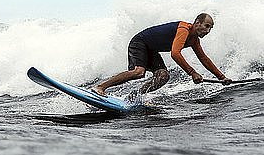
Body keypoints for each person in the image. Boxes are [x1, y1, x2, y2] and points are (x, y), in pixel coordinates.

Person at [92, 13, 232, 97]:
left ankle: (133, 97)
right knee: (139, 72)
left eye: (211, 28)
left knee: (163, 76)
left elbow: (204, 59)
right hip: (140, 42)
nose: (208, 31)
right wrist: (192, 73)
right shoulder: (184, 29)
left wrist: (222, 77)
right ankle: (100, 87)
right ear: (197, 23)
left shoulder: (194, 40)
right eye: (206, 26)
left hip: (151, 49)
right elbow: (175, 54)